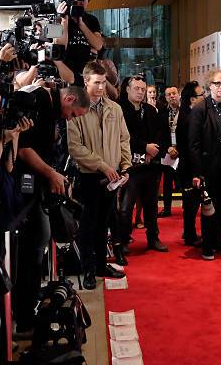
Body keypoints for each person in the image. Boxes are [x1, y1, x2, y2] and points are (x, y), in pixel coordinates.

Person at [14, 84, 90, 331]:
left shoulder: (50, 107)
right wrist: (51, 174)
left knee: (41, 242)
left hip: (39, 188)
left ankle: (30, 303)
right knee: (35, 244)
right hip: (25, 190)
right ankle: (24, 312)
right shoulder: (39, 102)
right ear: (68, 98)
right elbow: (23, 149)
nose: (70, 119)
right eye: (73, 113)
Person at [67, 61, 131, 290]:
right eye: (96, 83)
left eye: (104, 82)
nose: (101, 87)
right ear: (85, 82)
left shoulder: (114, 108)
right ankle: (88, 269)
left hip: (113, 177)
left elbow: (124, 139)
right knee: (87, 225)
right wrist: (103, 166)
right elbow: (75, 147)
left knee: (104, 223)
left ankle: (102, 264)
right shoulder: (76, 110)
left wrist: (126, 166)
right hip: (89, 176)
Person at [189, 69, 221, 260]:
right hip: (208, 167)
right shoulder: (200, 109)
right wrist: (197, 173)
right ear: (210, 86)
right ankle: (207, 245)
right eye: (217, 84)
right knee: (209, 207)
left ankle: (218, 240)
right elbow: (193, 144)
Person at [118, 75, 170, 256]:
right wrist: (143, 147)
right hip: (129, 166)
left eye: (142, 89)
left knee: (151, 205)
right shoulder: (120, 109)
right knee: (126, 207)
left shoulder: (150, 110)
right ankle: (123, 241)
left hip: (150, 165)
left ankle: (153, 238)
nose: (140, 92)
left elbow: (159, 132)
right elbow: (123, 136)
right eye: (136, 89)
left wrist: (151, 150)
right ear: (127, 89)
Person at [56, 0, 103, 86]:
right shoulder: (56, 17)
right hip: (65, 76)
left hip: (87, 77)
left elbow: (98, 45)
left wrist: (81, 24)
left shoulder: (92, 20)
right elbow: (58, 47)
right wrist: (63, 19)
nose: (82, 0)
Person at [176, 82, 204, 246]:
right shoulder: (189, 118)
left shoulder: (189, 114)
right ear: (193, 99)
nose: (204, 98)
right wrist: (196, 172)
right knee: (192, 204)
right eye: (201, 95)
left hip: (189, 166)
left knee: (191, 203)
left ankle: (189, 232)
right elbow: (191, 148)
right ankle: (190, 235)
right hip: (190, 168)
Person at [158, 86, 181, 217]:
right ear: (165, 97)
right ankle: (167, 208)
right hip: (167, 151)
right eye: (169, 94)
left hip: (182, 151)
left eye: (174, 93)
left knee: (184, 182)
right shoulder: (161, 113)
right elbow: (160, 134)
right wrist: (168, 148)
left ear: (178, 94)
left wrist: (179, 149)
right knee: (167, 181)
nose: (172, 96)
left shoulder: (186, 111)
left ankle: (187, 208)